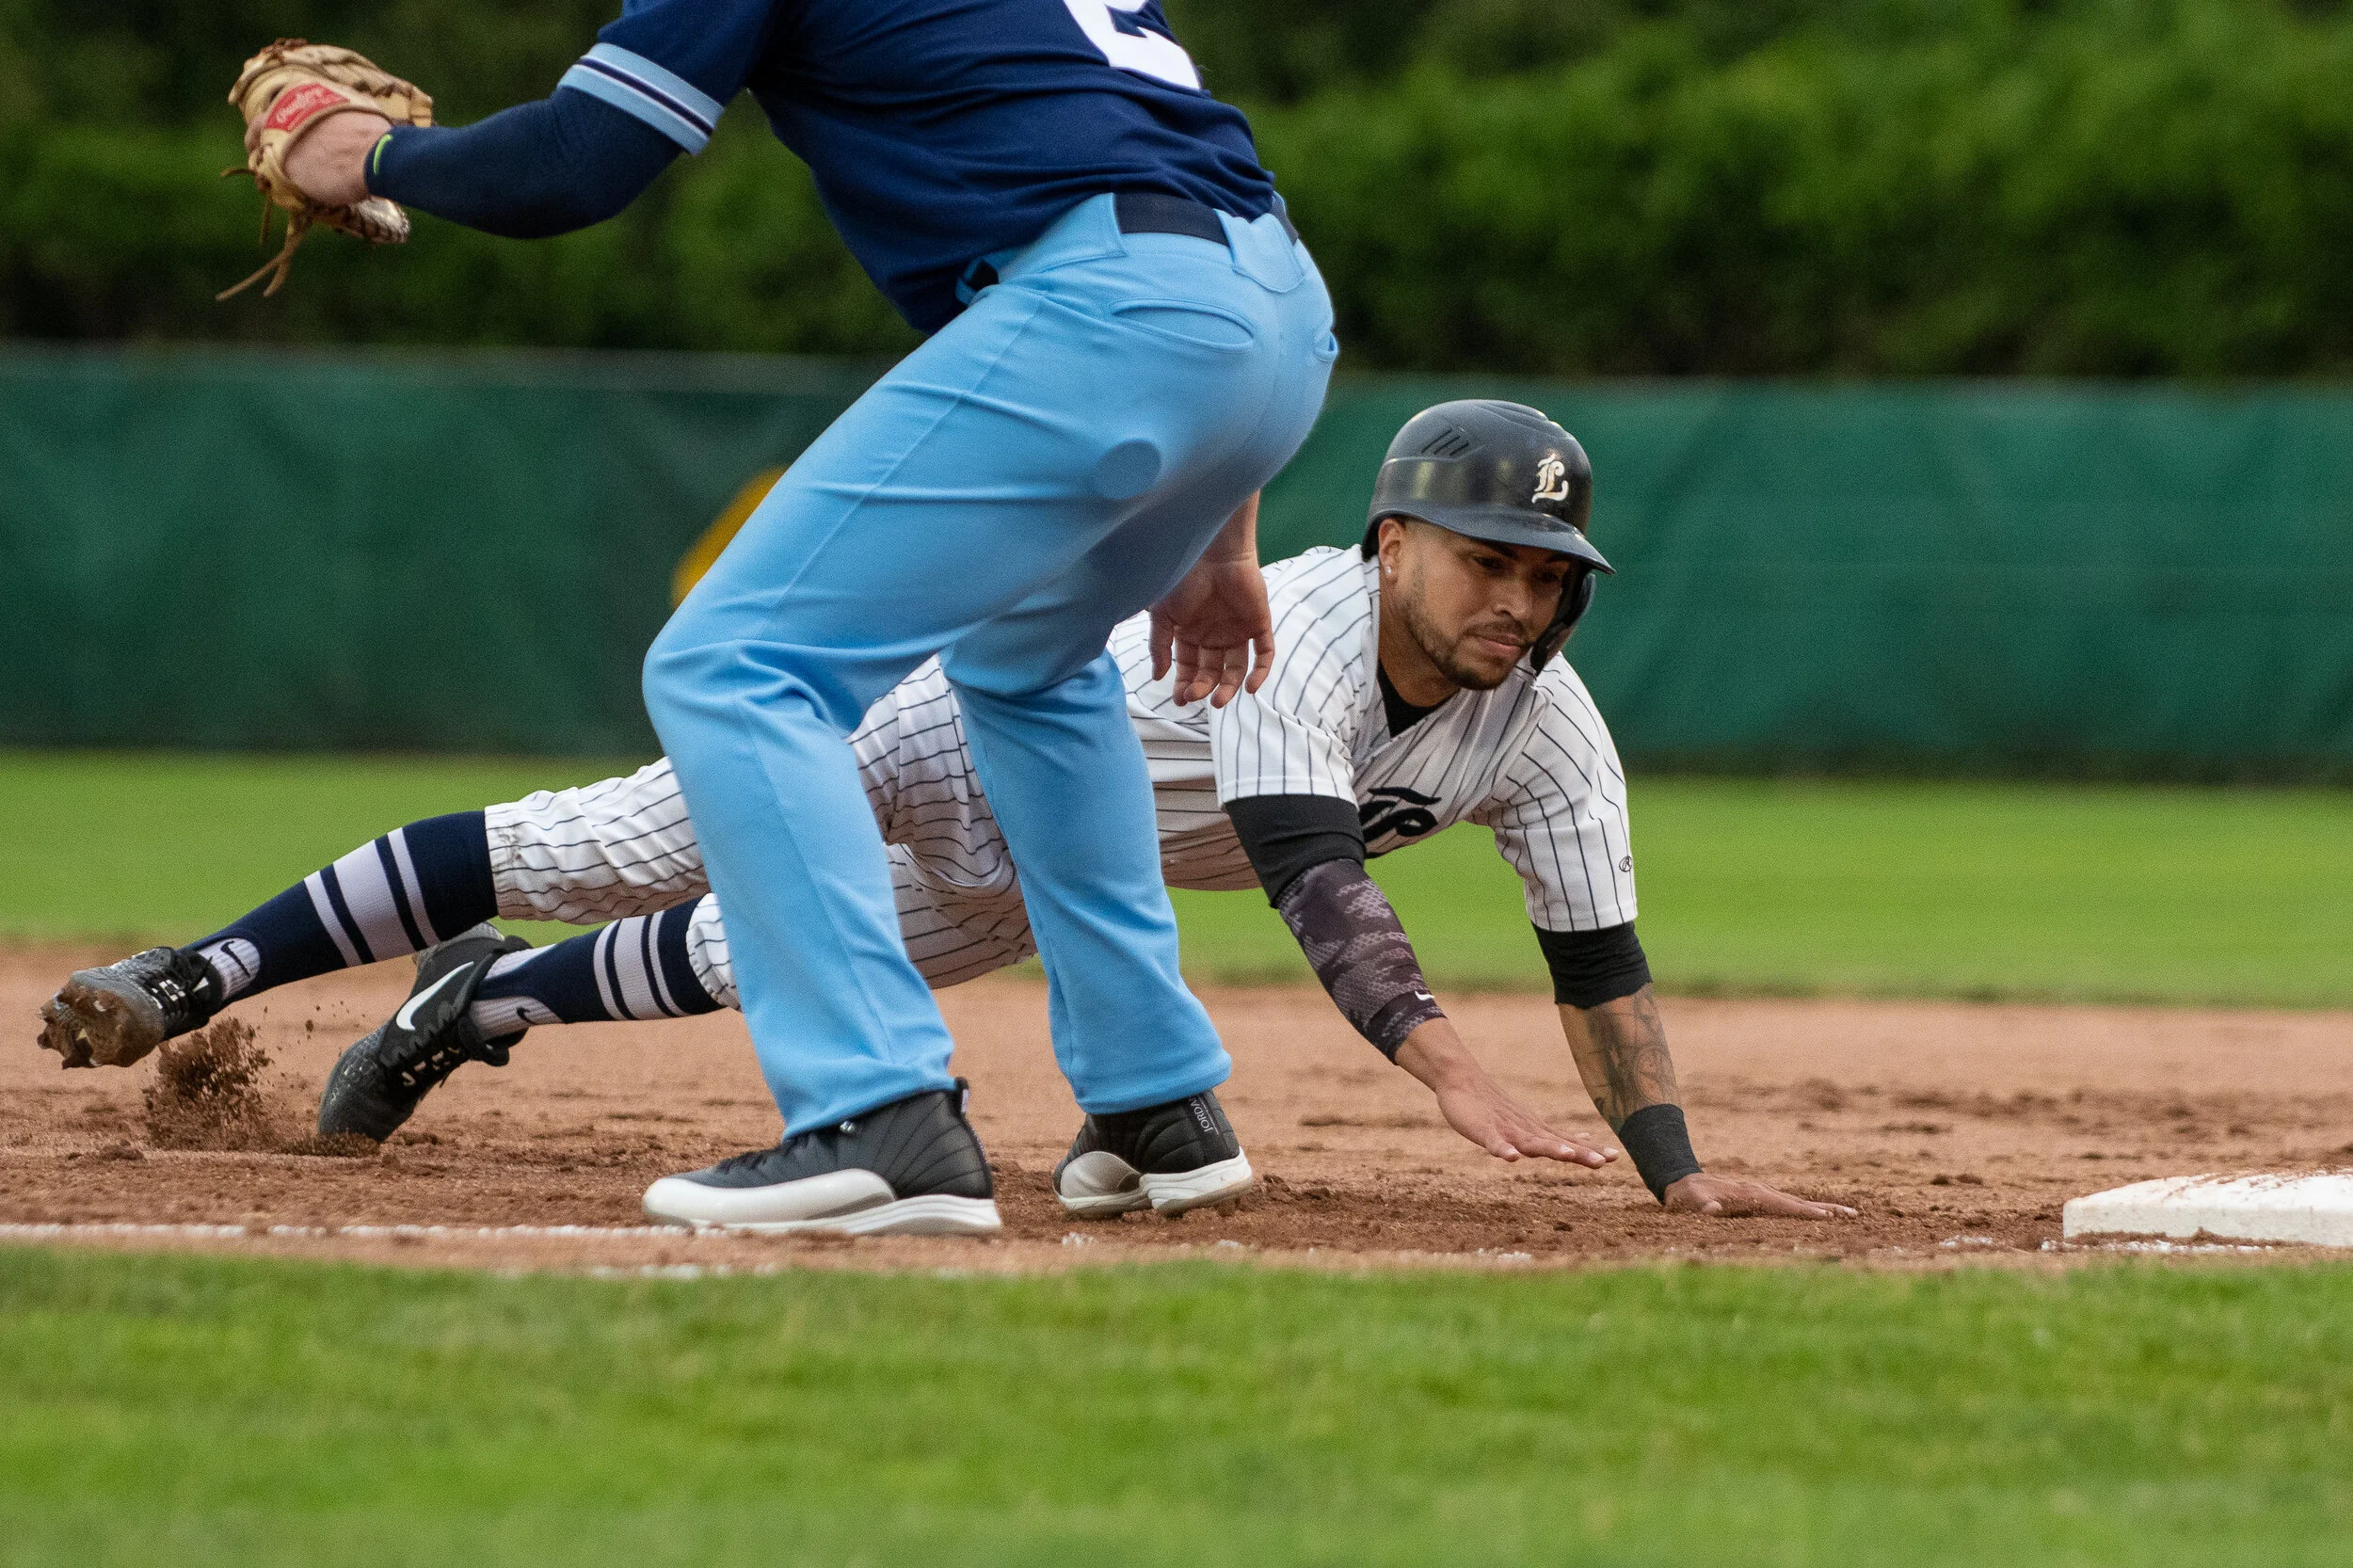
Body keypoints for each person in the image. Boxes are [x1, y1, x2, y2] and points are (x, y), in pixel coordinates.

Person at [42, 403, 1849, 1224]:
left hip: (1051, 882)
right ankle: (196, 969)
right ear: (1392, 541)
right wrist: (1461, 1080)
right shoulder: (1300, 632)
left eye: (1552, 574)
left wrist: (1674, 1172)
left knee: (750, 963)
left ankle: (469, 1000)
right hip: (958, 728)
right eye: (1489, 559)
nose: (1521, 603)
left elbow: (1598, 953)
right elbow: (1316, 882)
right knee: (607, 841)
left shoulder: (1547, 733)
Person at [219, 2, 1342, 1234]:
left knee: (732, 663)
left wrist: (368, 153)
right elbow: (1177, 152)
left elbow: (572, 167)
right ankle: (1155, 1098)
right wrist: (1220, 518)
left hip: (1112, 315)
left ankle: (878, 1108)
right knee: (1029, 658)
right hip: (1273, 317)